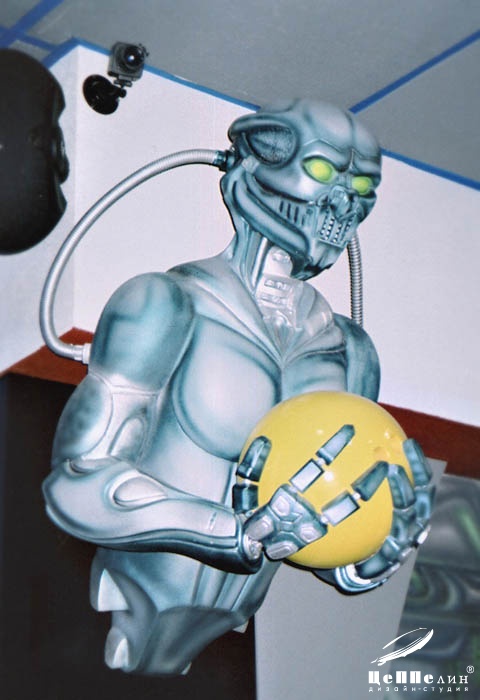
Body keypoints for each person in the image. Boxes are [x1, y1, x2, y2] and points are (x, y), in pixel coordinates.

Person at [43, 99, 432, 675]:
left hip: (229, 629)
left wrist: (364, 555)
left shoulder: (351, 353)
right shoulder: (165, 303)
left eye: (360, 187)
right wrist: (230, 532)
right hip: (123, 602)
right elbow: (76, 480)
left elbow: (321, 514)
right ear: (254, 165)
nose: (344, 203)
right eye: (321, 170)